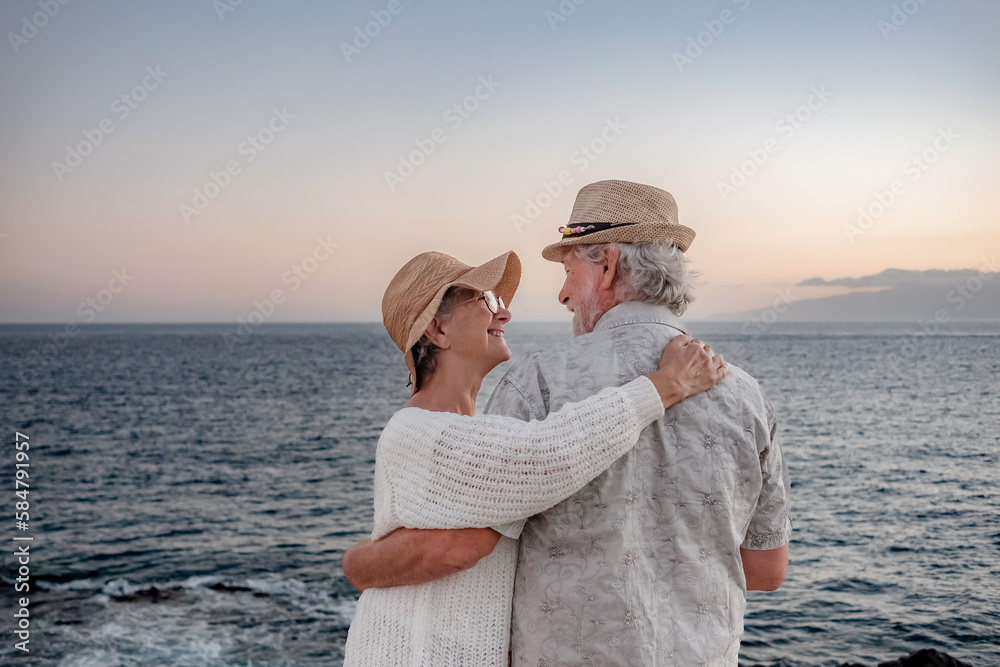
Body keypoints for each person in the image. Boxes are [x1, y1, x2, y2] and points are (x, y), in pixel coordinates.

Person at [343, 180, 792, 666]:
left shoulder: (536, 383)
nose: (561, 294)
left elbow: (469, 542)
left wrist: (355, 563)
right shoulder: (746, 396)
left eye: (567, 268)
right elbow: (767, 570)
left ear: (608, 267)